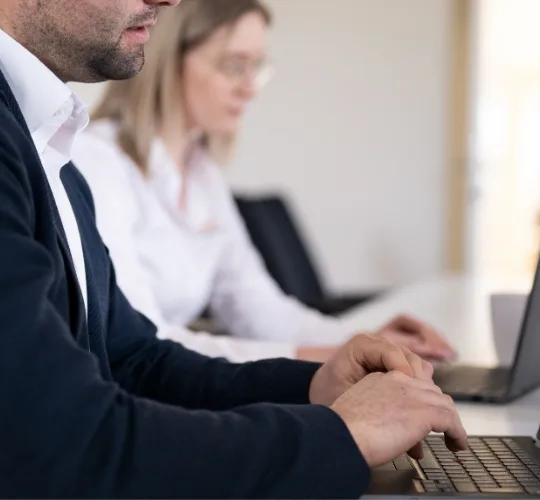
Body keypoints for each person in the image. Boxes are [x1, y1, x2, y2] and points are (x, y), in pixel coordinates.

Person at [0, 0, 467, 496]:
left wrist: (314, 384)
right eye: (232, 65)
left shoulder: (52, 150)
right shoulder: (73, 154)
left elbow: (134, 359)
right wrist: (342, 436)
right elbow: (62, 439)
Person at [69, 0, 454, 364]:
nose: (250, 87)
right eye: (235, 66)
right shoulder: (98, 163)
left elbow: (255, 306)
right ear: (167, 62)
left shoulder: (202, 174)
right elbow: (142, 345)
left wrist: (359, 341)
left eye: (256, 67)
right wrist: (330, 357)